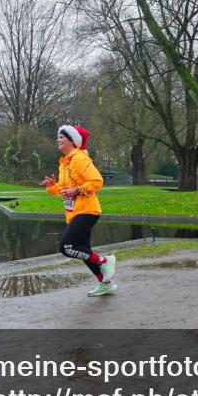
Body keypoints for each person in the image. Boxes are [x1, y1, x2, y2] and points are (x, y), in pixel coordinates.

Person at [42, 125, 116, 297]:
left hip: (87, 210)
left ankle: (105, 261)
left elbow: (97, 181)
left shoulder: (79, 159)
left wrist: (78, 190)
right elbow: (64, 189)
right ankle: (106, 284)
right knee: (83, 251)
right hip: (74, 213)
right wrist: (52, 186)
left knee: (66, 246)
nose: (58, 140)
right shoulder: (64, 163)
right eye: (58, 137)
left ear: (72, 141)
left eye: (61, 137)